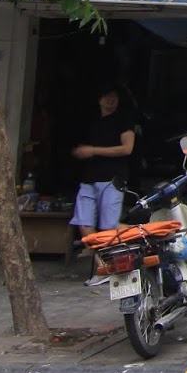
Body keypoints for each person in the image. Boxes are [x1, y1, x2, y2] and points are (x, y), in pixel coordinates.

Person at [70, 83, 135, 286]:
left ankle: (145, 233)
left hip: (112, 179)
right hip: (88, 179)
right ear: (99, 99)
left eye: (114, 96)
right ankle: (102, 267)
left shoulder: (124, 120)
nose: (110, 100)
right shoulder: (91, 123)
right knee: (84, 224)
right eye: (106, 96)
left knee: (109, 226)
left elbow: (127, 148)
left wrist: (94, 151)